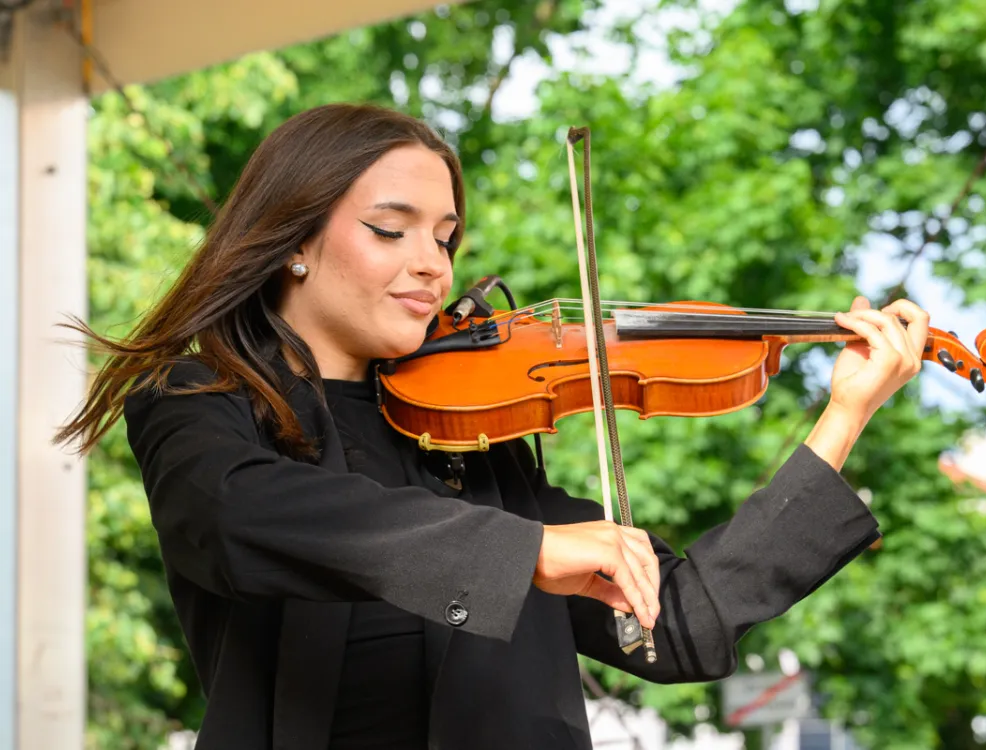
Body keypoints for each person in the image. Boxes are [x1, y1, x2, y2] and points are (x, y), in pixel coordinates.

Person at [56, 102, 930, 750]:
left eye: (446, 238)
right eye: (390, 230)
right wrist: (524, 553)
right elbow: (235, 519)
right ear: (294, 239)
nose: (431, 266)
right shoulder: (201, 399)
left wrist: (845, 414)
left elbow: (686, 622)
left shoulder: (470, 438)